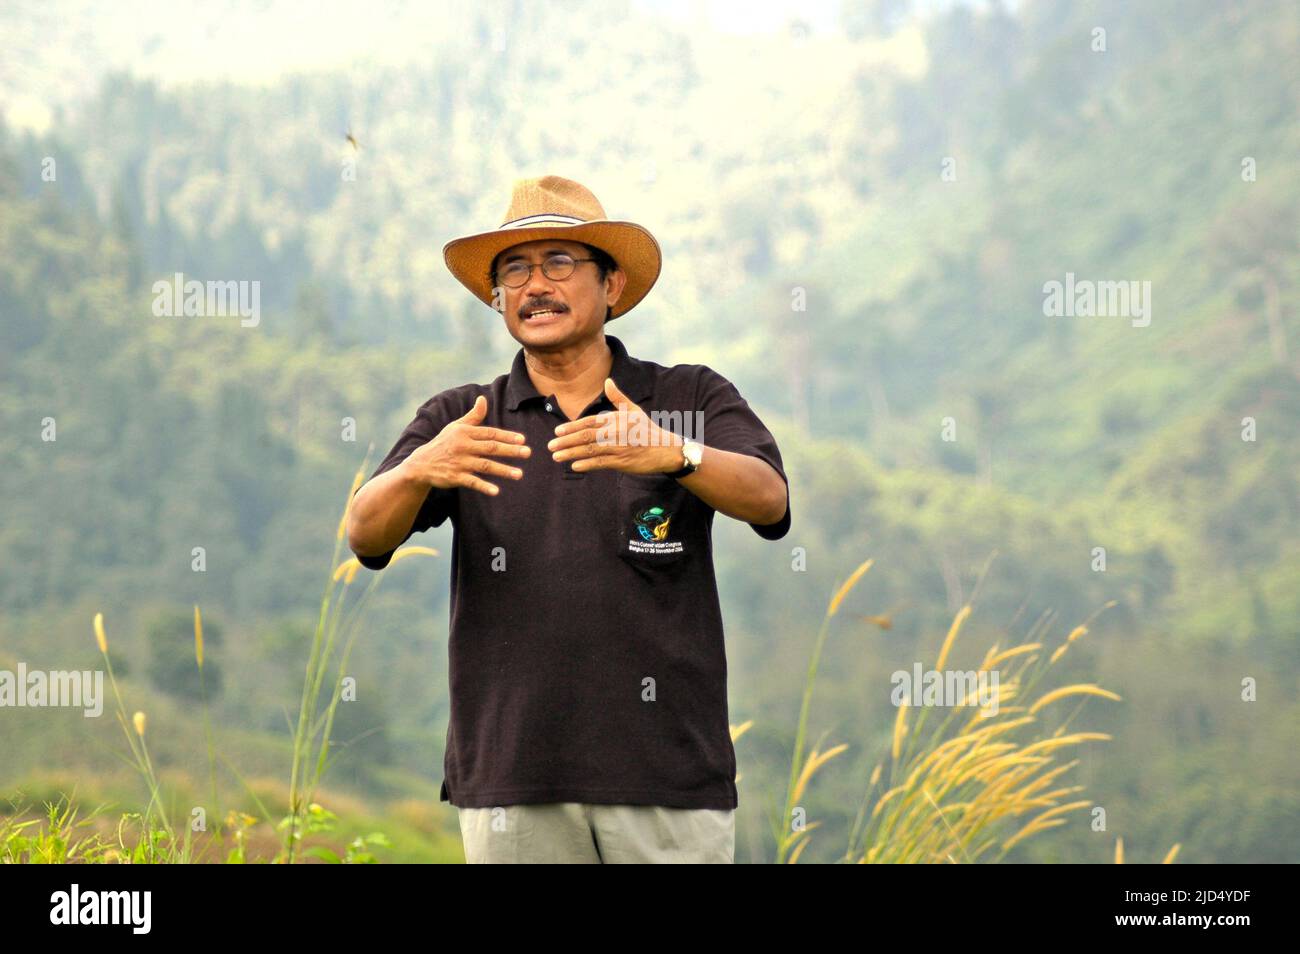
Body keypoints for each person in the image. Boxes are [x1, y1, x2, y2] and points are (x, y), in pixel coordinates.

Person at [346, 175, 791, 863]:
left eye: (559, 263)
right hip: (513, 781)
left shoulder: (685, 396)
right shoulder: (463, 420)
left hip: (670, 778)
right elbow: (365, 535)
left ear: (612, 285)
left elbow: (770, 499)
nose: (534, 286)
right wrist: (415, 471)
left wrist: (675, 453)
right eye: (513, 271)